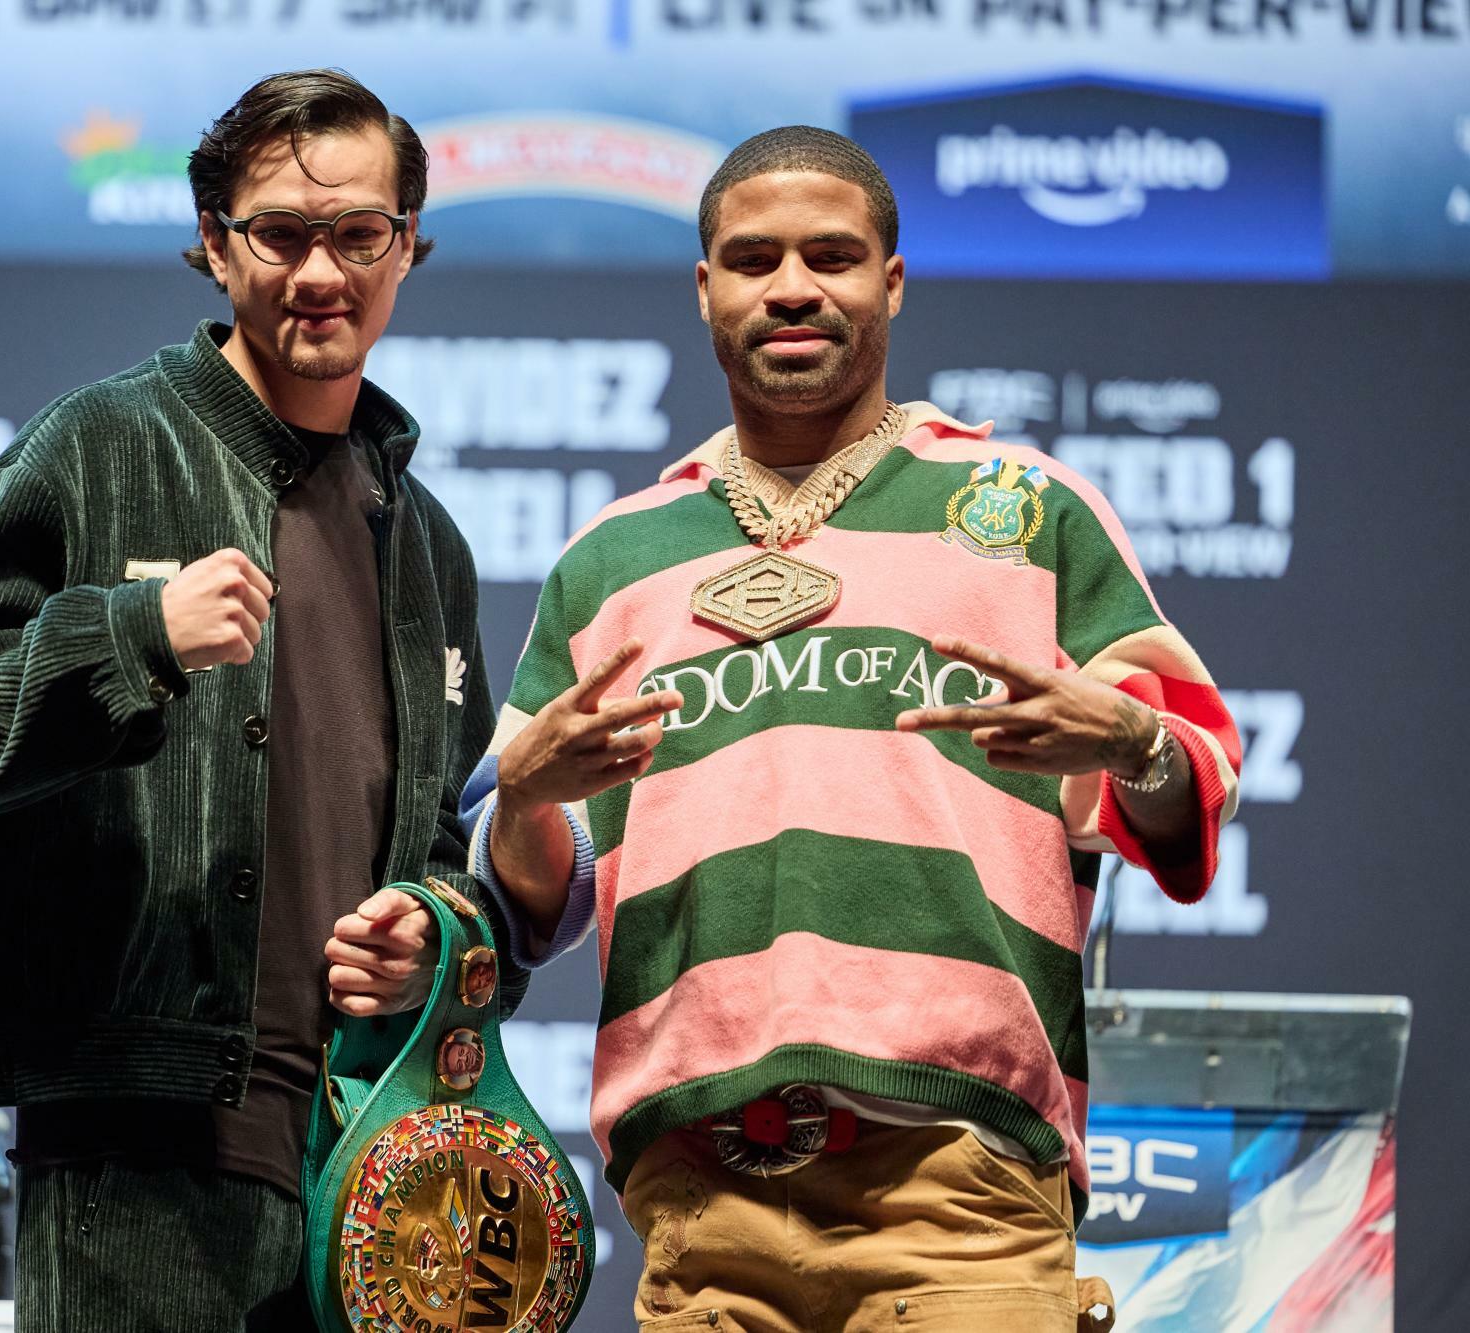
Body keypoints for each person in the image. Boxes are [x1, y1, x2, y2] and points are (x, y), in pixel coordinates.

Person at [467, 127, 1242, 1331]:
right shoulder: (610, 557)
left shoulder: (1027, 511)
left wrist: (1131, 743)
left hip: (964, 1183)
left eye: (830, 255)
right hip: (697, 1203)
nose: (789, 286)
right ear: (704, 288)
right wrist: (520, 801)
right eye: (751, 258)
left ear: (890, 278)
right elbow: (537, 899)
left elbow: (1189, 787)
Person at [0, 69, 561, 1333]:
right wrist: (127, 634)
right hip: (135, 1165)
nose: (319, 272)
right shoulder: (99, 445)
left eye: (359, 235)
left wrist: (431, 928)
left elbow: (451, 853)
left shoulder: (428, 543)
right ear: (210, 242)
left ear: (408, 248)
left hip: (370, 1169)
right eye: (279, 234)